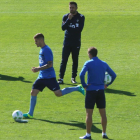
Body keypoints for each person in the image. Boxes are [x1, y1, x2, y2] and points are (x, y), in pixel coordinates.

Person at [23, 33, 85, 119]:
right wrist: (38, 68)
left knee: (58, 93)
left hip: (49, 77)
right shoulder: (42, 49)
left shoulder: (46, 50)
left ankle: (77, 88)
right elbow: (44, 63)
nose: (35, 43)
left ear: (41, 40)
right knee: (33, 92)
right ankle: (30, 113)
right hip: (41, 77)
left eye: (36, 41)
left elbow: (50, 65)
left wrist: (38, 69)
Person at [79, 47, 117, 139]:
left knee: (89, 114)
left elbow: (81, 74)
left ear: (90, 54)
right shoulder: (103, 63)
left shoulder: (88, 63)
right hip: (100, 91)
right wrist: (107, 85)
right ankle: (104, 133)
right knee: (103, 113)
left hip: (91, 91)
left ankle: (88, 134)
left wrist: (84, 85)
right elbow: (113, 75)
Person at [58, 1, 85, 84]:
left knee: (75, 60)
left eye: (73, 7)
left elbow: (79, 30)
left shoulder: (81, 17)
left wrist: (69, 28)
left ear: (76, 8)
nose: (71, 9)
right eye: (70, 7)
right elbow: (63, 28)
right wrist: (69, 20)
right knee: (64, 60)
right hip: (67, 42)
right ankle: (61, 78)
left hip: (76, 43)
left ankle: (73, 78)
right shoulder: (66, 17)